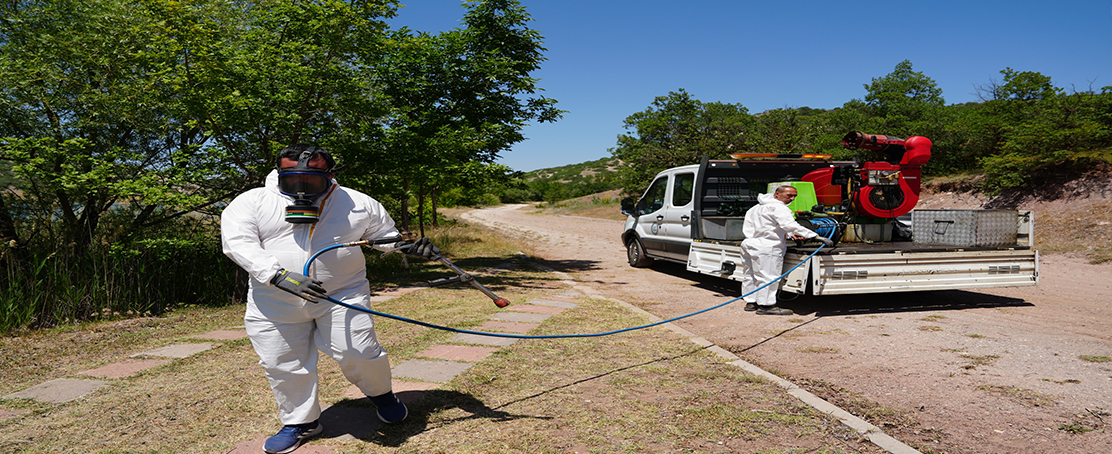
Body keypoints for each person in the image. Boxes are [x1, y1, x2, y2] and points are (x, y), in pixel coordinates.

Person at [220, 144, 440, 454]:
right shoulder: (251, 202)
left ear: (330, 176)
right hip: (274, 298)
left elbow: (382, 234)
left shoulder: (357, 202)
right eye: (293, 181)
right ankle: (302, 422)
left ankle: (382, 395)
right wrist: (278, 275)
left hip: (341, 293)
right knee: (282, 363)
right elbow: (238, 244)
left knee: (359, 350)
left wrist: (404, 247)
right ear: (279, 175)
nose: (302, 190)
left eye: (312, 182)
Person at [739, 185, 834, 316]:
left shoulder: (755, 208)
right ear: (777, 194)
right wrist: (814, 236)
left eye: (795, 196)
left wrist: (790, 235)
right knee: (768, 276)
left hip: (749, 244)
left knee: (751, 274)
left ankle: (751, 302)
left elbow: (768, 226)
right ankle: (766, 306)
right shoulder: (778, 207)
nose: (793, 199)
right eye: (789, 195)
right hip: (768, 246)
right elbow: (790, 225)